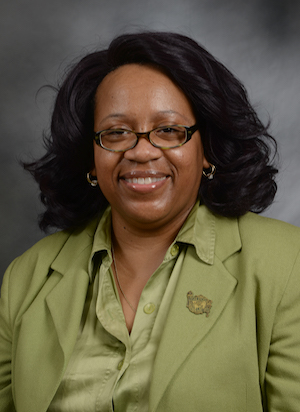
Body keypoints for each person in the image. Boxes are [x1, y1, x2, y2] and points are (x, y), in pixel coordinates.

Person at [0, 31, 299, 412]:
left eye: (169, 130)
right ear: (91, 156)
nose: (141, 151)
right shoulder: (26, 279)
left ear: (207, 149)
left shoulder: (287, 265)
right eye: (116, 132)